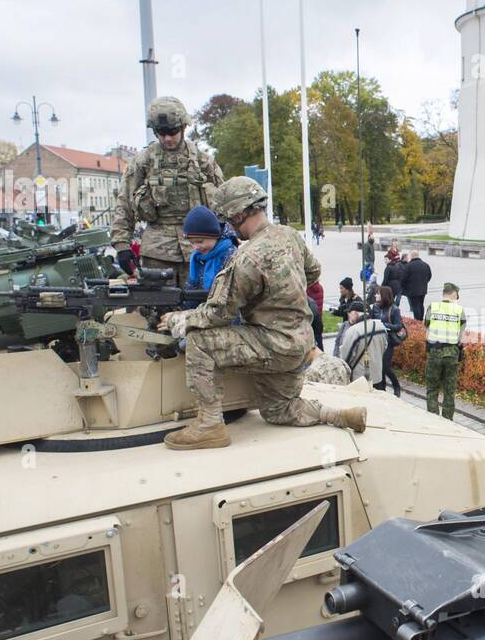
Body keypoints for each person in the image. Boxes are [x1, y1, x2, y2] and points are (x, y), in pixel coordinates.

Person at [157, 176, 366, 450]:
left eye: (230, 220)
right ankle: (335, 414)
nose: (229, 226)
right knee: (277, 410)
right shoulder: (289, 235)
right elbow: (313, 271)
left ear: (240, 214)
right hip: (300, 342)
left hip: (273, 344)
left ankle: (209, 425)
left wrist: (177, 320)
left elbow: (217, 313)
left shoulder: (248, 257)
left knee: (198, 341)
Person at [112, 97, 225, 286]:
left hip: (199, 250)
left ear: (183, 128)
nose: (167, 139)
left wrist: (227, 238)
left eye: (172, 132)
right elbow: (124, 204)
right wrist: (122, 245)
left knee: (203, 306)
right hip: (157, 253)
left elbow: (225, 200)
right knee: (159, 308)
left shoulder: (202, 161)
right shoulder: (143, 162)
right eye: (161, 133)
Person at [424, 282, 465, 420]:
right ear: (453, 294)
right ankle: (447, 420)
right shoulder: (459, 310)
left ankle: (433, 419)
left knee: (432, 389)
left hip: (434, 352)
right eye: (457, 295)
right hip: (452, 354)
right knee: (449, 390)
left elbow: (427, 325)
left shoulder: (433, 307)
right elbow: (460, 336)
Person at [332, 300, 388, 386]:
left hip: (359, 379)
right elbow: (385, 347)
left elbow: (345, 358)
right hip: (377, 375)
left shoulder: (354, 331)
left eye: (349, 313)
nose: (348, 316)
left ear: (355, 313)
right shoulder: (381, 327)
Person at [183, 205, 236, 295]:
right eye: (192, 243)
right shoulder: (198, 258)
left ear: (215, 236)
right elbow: (191, 287)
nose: (196, 247)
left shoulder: (231, 256)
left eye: (200, 241)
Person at [371, 285, 404, 397]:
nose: (376, 295)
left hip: (388, 341)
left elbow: (398, 326)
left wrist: (384, 325)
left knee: (385, 366)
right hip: (376, 340)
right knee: (378, 366)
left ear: (384, 295)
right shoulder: (375, 307)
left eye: (378, 293)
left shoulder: (394, 309)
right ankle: (382, 388)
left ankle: (396, 386)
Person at [403, 250, 433, 321]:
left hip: (412, 290)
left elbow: (404, 278)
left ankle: (417, 321)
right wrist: (424, 282)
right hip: (423, 289)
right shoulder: (425, 265)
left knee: (415, 306)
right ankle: (421, 319)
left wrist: (405, 287)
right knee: (421, 304)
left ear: (411, 256)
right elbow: (429, 276)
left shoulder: (408, 266)